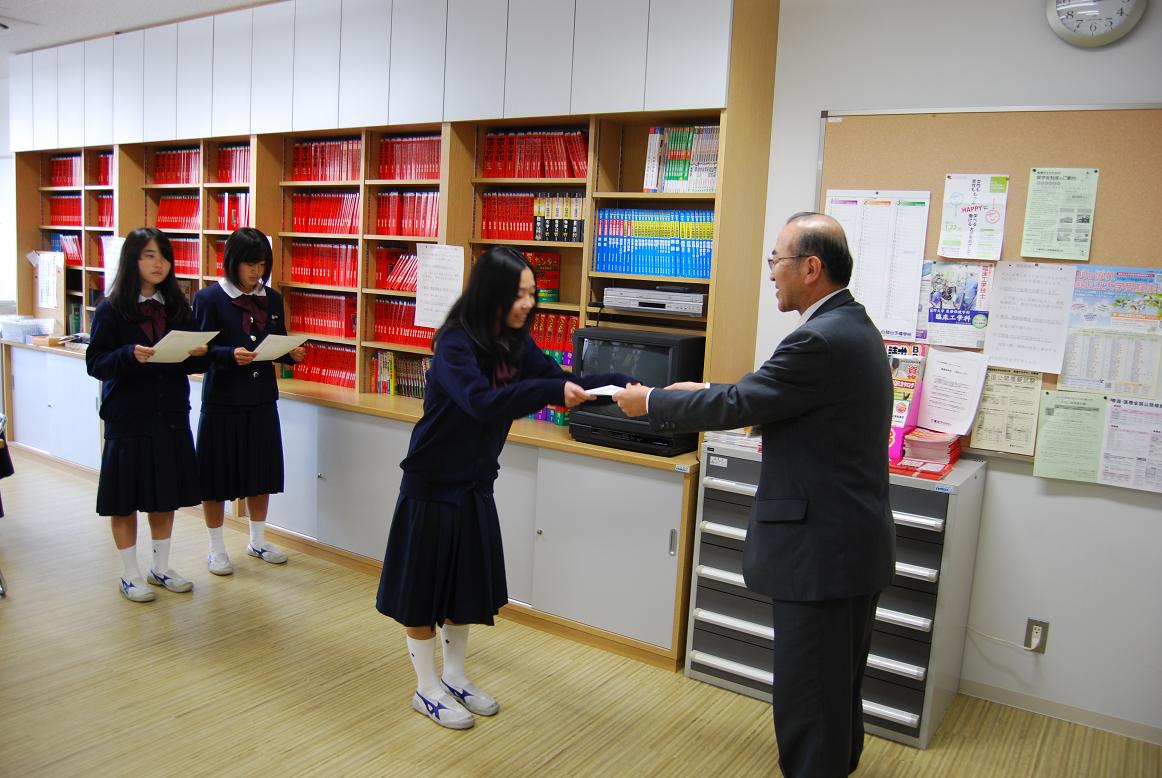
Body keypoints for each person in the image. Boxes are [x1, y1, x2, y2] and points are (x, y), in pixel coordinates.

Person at [614, 212, 895, 777]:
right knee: (835, 695)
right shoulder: (850, 326)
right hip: (848, 547)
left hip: (823, 555)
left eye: (777, 260)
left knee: (810, 701)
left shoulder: (818, 338)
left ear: (811, 268)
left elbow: (744, 404)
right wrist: (712, 391)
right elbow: (766, 398)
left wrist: (654, 403)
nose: (771, 272)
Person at [375, 245, 631, 730]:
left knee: (463, 585)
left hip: (474, 483)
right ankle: (425, 687)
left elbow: (563, 382)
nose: (528, 304)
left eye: (532, 294)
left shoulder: (515, 345)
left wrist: (626, 386)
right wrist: (549, 392)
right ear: (490, 292)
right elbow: (481, 402)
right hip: (432, 482)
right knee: (423, 590)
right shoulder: (453, 342)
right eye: (519, 294)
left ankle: (454, 676)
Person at [85, 227, 210, 602]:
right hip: (129, 415)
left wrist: (195, 352)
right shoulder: (111, 308)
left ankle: (161, 566)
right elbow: (96, 362)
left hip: (169, 412)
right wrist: (127, 355)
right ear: (133, 260)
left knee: (163, 493)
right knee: (124, 497)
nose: (159, 264)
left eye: (164, 256)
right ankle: (129, 573)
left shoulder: (177, 307)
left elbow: (183, 356)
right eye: (149, 255)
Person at [193, 227, 306, 575]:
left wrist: (292, 355)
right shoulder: (209, 298)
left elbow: (278, 341)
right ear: (232, 263)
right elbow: (197, 353)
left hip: (260, 398)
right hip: (223, 399)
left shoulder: (271, 299)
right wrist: (228, 354)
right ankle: (215, 549)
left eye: (261, 265)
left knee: (261, 472)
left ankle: (257, 539)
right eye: (249, 265)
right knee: (216, 477)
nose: (256, 272)